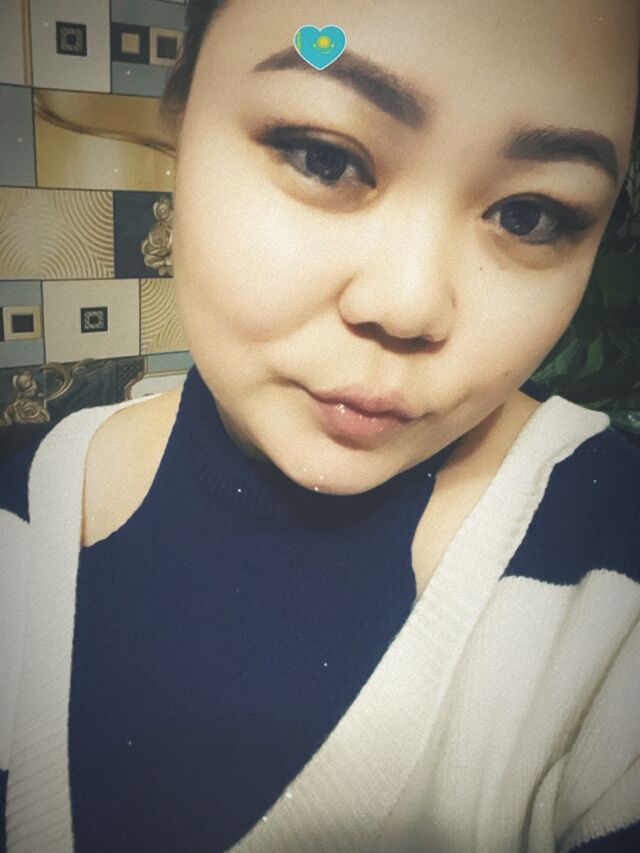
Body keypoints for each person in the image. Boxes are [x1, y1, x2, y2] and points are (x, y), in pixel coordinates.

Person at [1, 1, 639, 850]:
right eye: (322, 155)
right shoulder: (21, 520)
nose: (407, 305)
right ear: (181, 118)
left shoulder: (610, 586)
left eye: (531, 215)